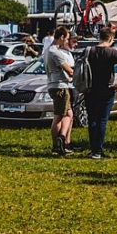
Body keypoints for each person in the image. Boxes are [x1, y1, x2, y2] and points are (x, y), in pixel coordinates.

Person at [85, 27, 117, 159]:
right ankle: (98, 151)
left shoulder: (90, 50)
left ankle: (93, 149)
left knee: (92, 119)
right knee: (102, 120)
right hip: (106, 89)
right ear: (111, 38)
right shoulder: (112, 52)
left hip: (90, 89)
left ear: (99, 37)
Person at [45, 27, 75, 156]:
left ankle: (62, 140)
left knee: (69, 114)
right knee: (58, 116)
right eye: (66, 39)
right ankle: (57, 145)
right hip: (60, 87)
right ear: (61, 37)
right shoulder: (55, 52)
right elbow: (69, 70)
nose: (67, 41)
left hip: (54, 84)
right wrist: (77, 74)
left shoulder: (48, 50)